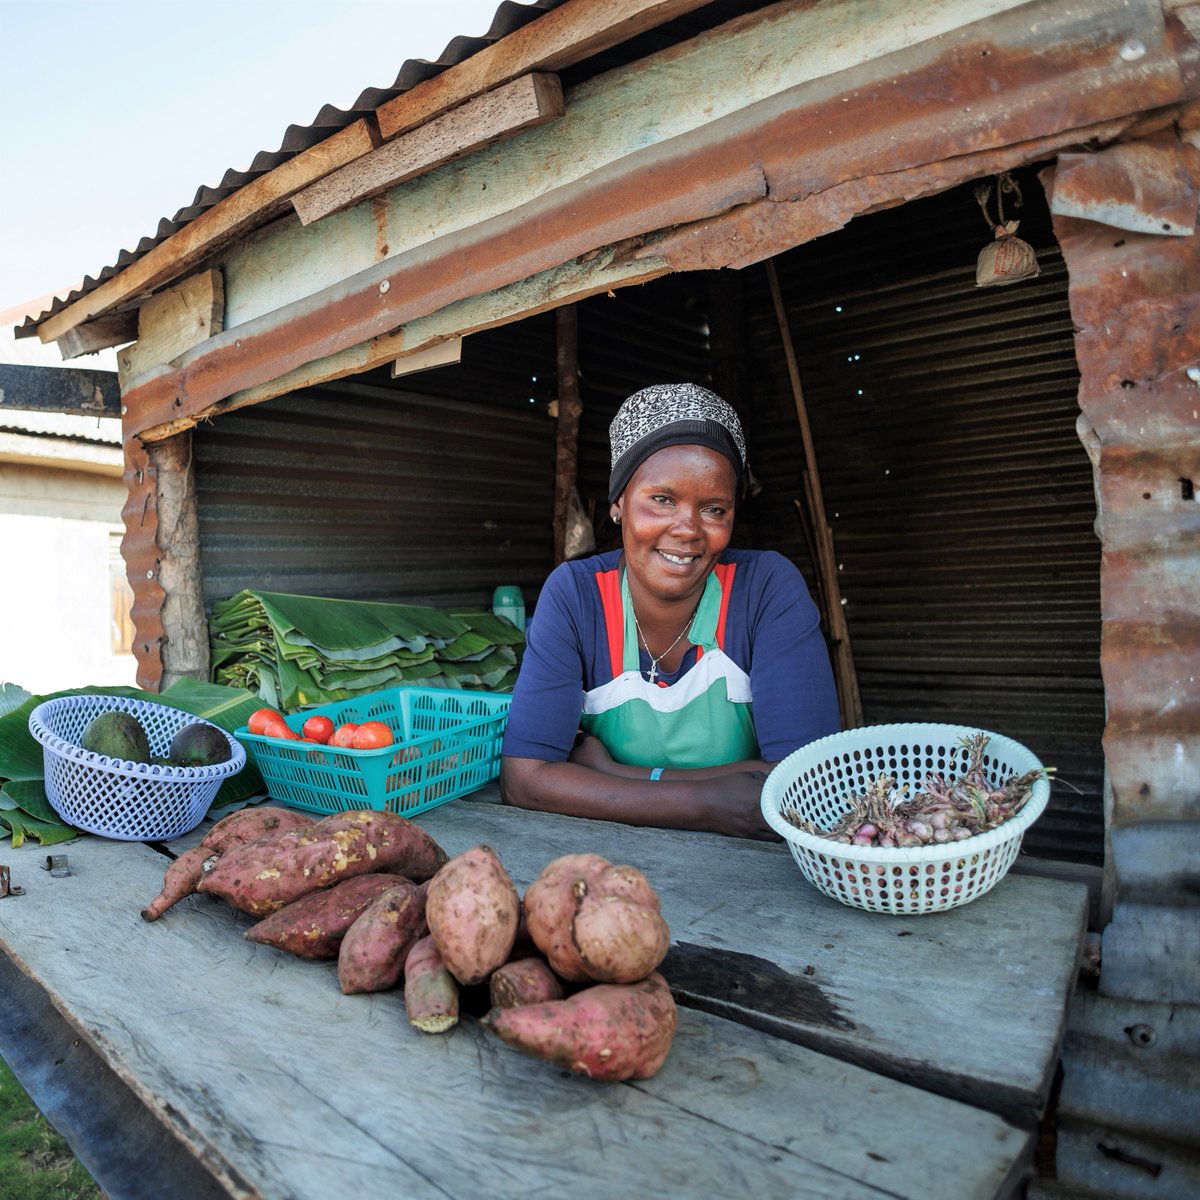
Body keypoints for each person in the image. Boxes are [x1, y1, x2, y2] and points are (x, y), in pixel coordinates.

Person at [499, 382, 840, 839]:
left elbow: (806, 786)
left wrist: (613, 774)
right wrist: (709, 803)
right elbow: (524, 780)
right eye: (662, 499)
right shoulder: (577, 596)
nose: (687, 530)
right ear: (619, 503)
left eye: (713, 508)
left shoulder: (765, 591)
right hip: (602, 866)